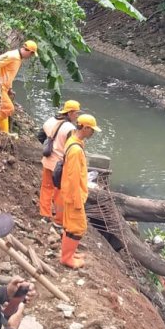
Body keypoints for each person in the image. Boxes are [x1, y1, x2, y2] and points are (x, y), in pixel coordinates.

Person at [60, 114, 101, 269]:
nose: (93, 133)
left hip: (70, 194)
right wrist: (78, 200)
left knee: (70, 226)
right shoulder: (76, 150)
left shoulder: (74, 141)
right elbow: (73, 177)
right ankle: (66, 258)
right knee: (77, 228)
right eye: (92, 130)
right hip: (73, 196)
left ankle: (70, 253)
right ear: (85, 128)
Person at [40, 100, 82, 225]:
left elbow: (40, 136)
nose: (77, 116)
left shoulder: (49, 121)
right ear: (70, 113)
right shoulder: (70, 128)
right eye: (76, 113)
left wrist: (51, 149)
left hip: (48, 160)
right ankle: (58, 220)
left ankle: (44, 214)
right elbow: (71, 148)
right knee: (59, 192)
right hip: (60, 165)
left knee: (46, 188)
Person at [0, 40, 38, 133]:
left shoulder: (18, 58)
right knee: (8, 108)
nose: (31, 57)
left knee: (4, 111)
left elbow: (9, 74)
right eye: (32, 54)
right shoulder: (13, 56)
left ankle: (5, 133)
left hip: (3, 87)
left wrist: (10, 88)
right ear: (29, 51)